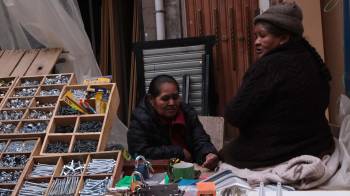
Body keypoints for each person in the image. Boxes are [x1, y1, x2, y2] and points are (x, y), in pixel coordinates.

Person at [223, 2, 334, 169]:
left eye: (262, 36)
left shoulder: (270, 65)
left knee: (225, 153)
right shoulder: (311, 58)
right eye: (255, 36)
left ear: (283, 38)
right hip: (318, 144)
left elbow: (234, 115)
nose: (256, 42)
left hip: (281, 149)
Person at [127, 74, 219, 169]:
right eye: (165, 98)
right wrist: (178, 152)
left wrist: (208, 154)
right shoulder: (140, 119)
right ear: (151, 100)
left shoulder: (187, 112)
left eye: (175, 97)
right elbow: (139, 152)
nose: (172, 103)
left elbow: (200, 139)